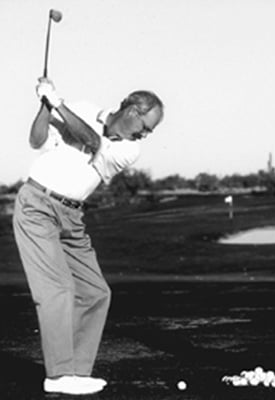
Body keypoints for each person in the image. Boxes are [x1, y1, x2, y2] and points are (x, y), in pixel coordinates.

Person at [12, 77, 164, 395]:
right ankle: (58, 375)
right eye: (146, 127)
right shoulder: (82, 110)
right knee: (58, 289)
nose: (145, 135)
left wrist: (58, 103)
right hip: (37, 205)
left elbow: (93, 142)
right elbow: (37, 141)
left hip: (72, 218)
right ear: (132, 110)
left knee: (95, 292)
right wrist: (45, 106)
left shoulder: (129, 149)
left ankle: (77, 372)